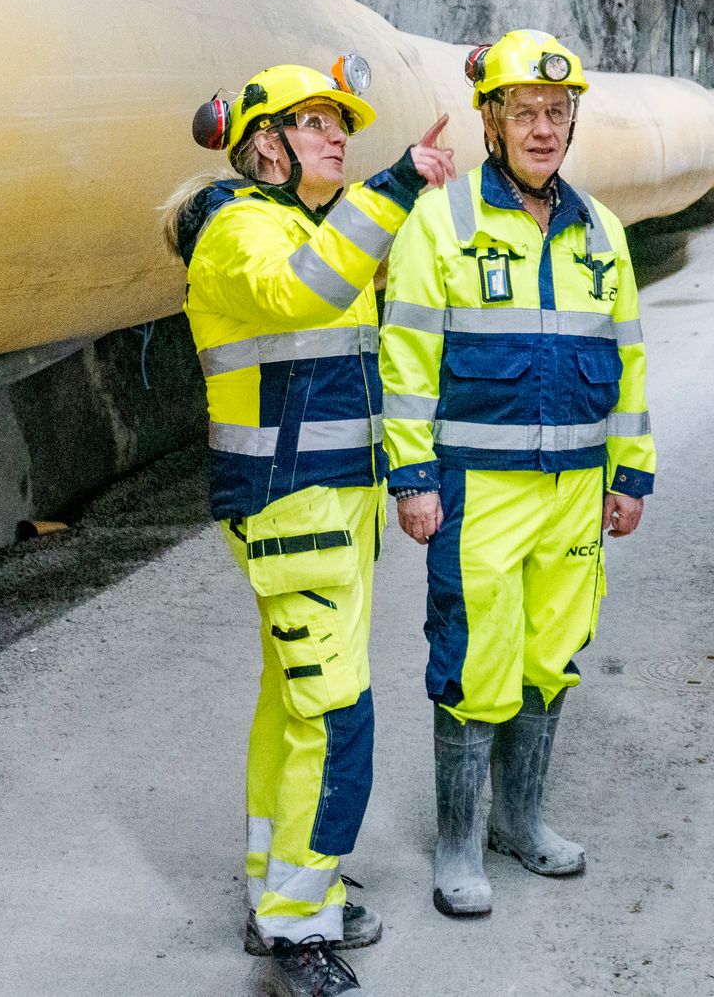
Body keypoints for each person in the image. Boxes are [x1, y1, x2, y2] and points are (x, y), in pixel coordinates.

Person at [169, 57, 453, 995]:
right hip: (290, 507)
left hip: (329, 508)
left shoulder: (303, 222)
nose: (340, 137)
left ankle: (276, 895)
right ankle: (300, 929)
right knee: (337, 718)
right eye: (318, 122)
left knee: (293, 708)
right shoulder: (239, 229)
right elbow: (303, 291)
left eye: (344, 124)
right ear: (266, 143)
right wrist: (400, 180)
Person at [378, 30, 656, 917]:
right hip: (478, 492)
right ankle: (459, 843)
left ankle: (521, 821)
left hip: (575, 491)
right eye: (525, 112)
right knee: (474, 660)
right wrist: (412, 478)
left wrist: (631, 473)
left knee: (549, 655)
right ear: (491, 120)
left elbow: (630, 365)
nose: (543, 128)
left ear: (573, 121)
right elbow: (407, 357)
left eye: (557, 112)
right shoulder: (445, 220)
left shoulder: (600, 232)